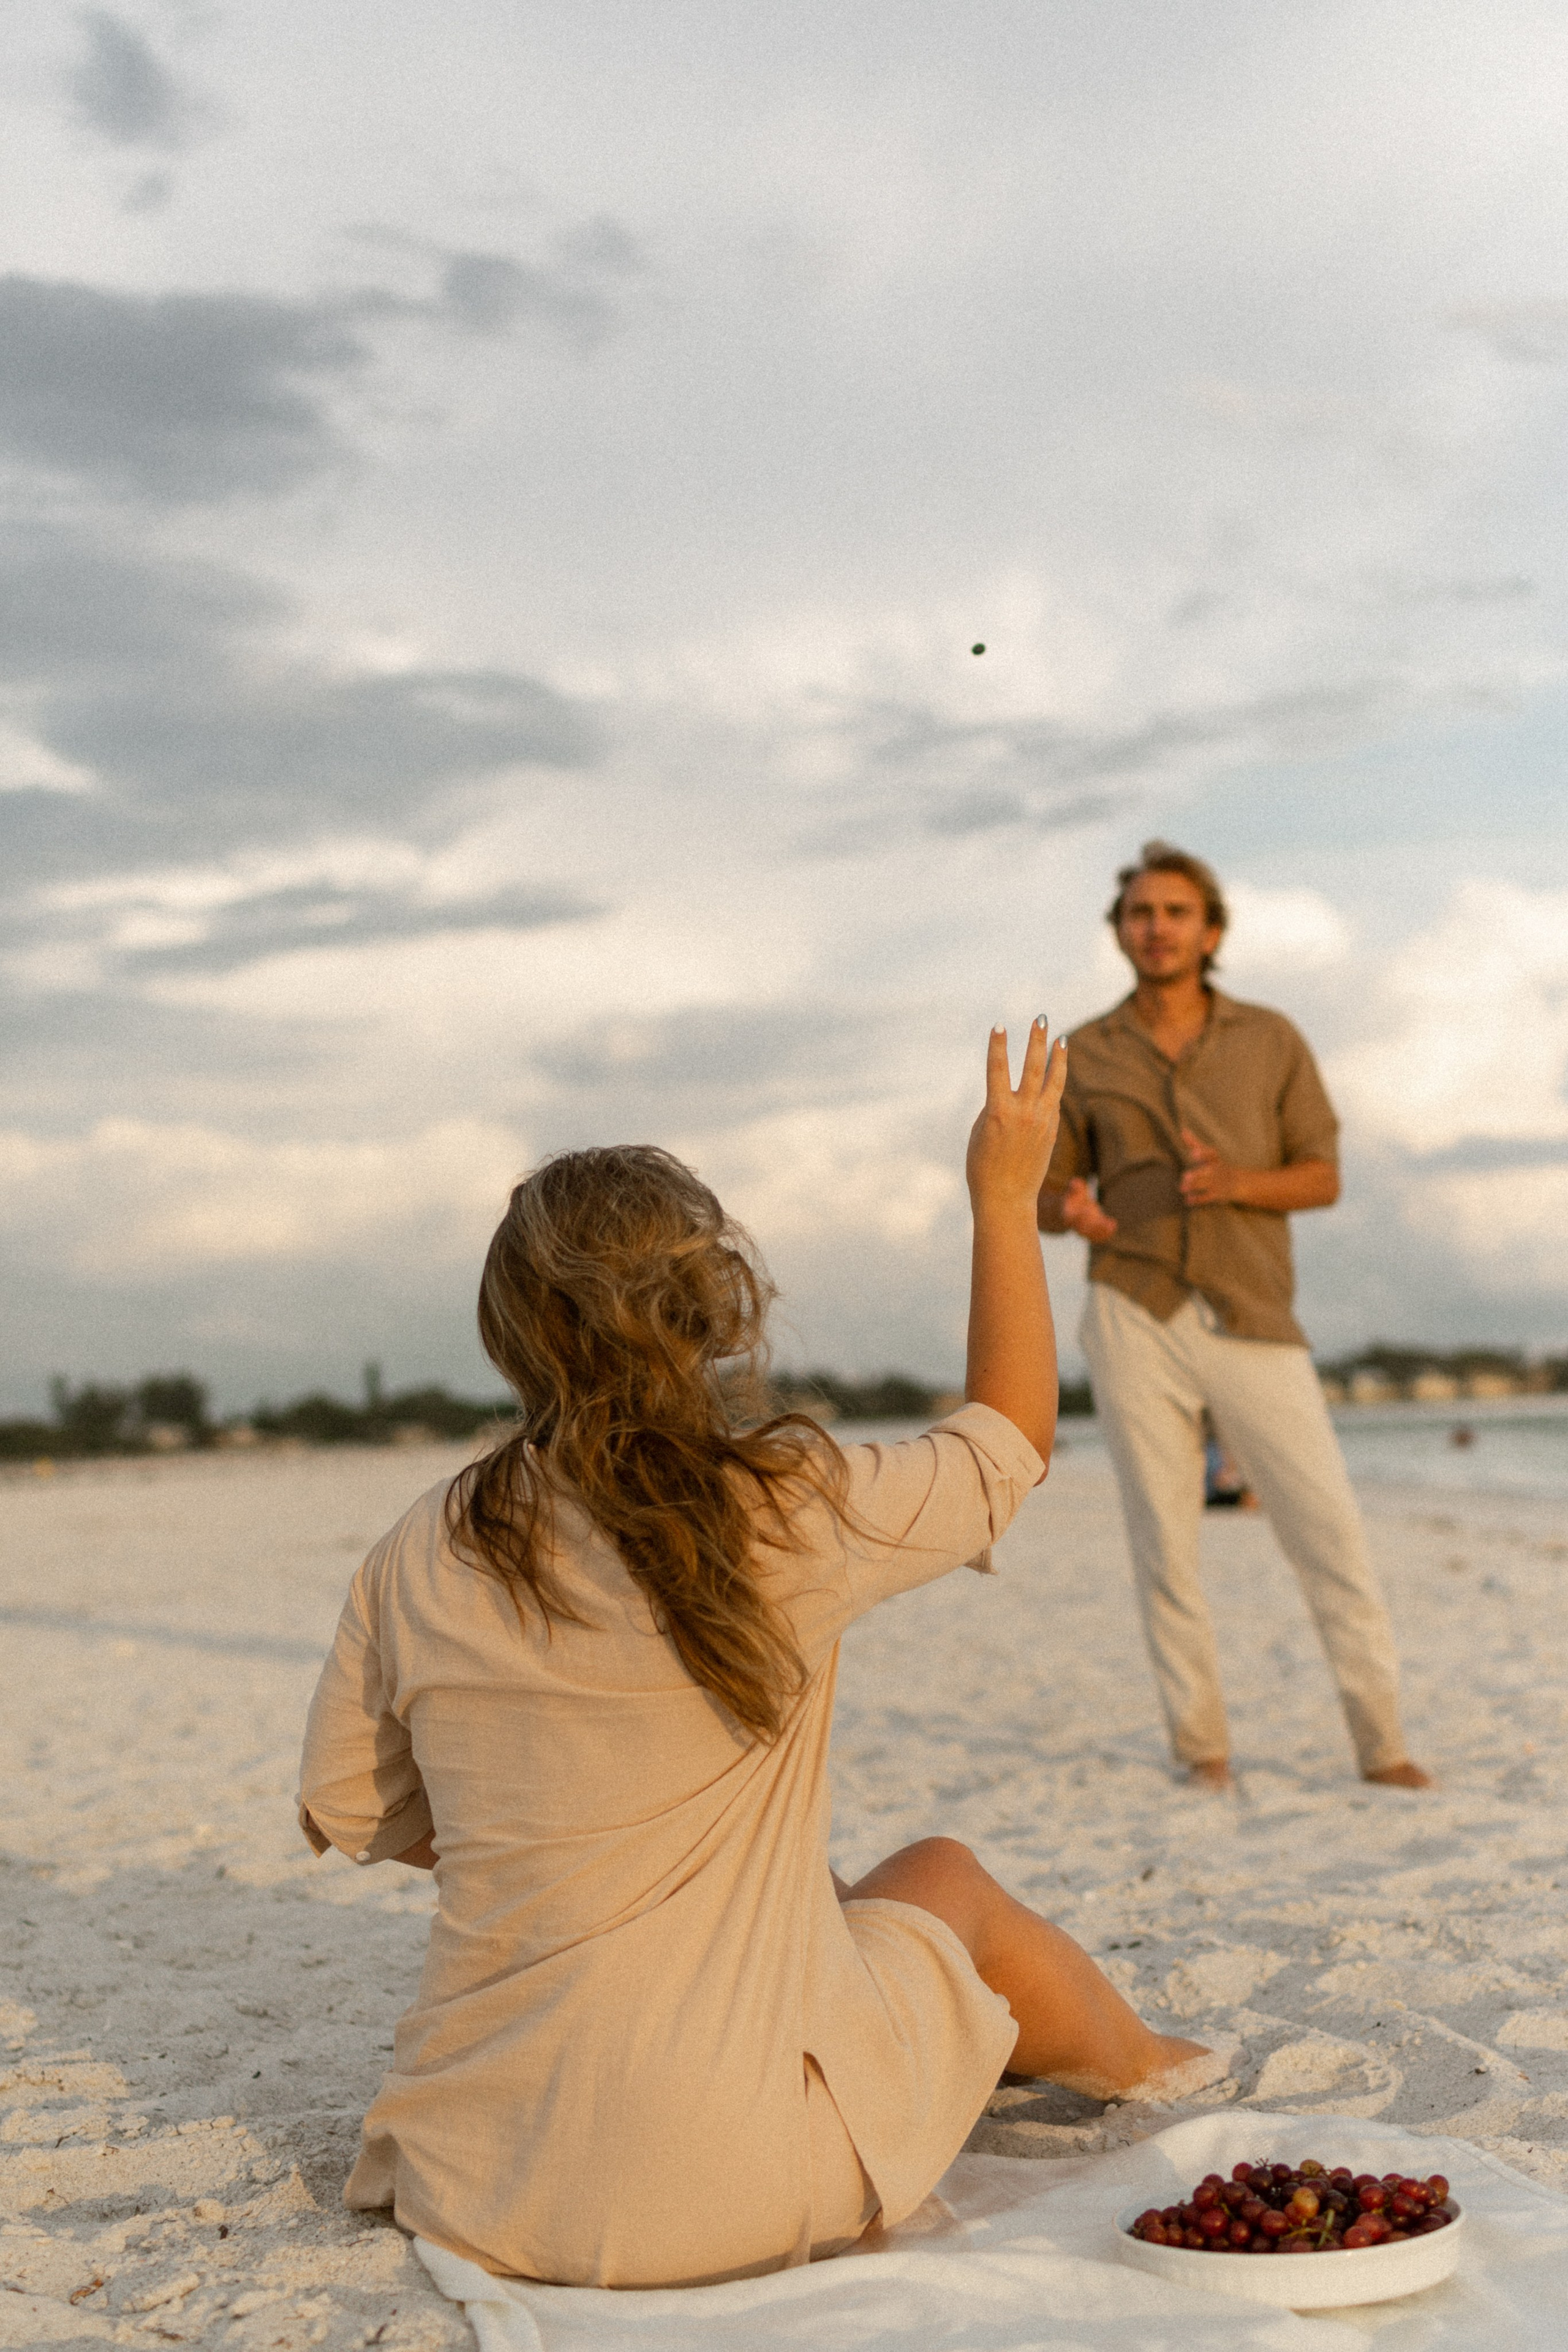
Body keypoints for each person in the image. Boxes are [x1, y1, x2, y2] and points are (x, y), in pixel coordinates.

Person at [296, 1022, 1214, 2290]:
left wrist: (576, 1844)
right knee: (940, 1876)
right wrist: (1001, 1199)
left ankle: (1140, 2059)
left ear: (509, 1334)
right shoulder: (782, 1505)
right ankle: (1154, 2067)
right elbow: (1008, 1442)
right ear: (714, 1308)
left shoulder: (425, 1544)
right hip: (744, 2185)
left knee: (835, 1902)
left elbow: (357, 1808)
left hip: (482, 2183)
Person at [1037, 843, 1431, 1796]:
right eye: (1140, 912)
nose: (1157, 926)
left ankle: (1383, 1747)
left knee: (1328, 1533)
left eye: (1176, 912)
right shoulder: (1084, 1054)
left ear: (1211, 932)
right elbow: (1044, 1187)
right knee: (1163, 1542)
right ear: (1120, 930)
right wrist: (1069, 1211)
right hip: (1132, 1304)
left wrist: (1242, 1182)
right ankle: (1200, 1751)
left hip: (1253, 1312)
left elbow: (1325, 1174)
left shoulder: (1272, 1039)